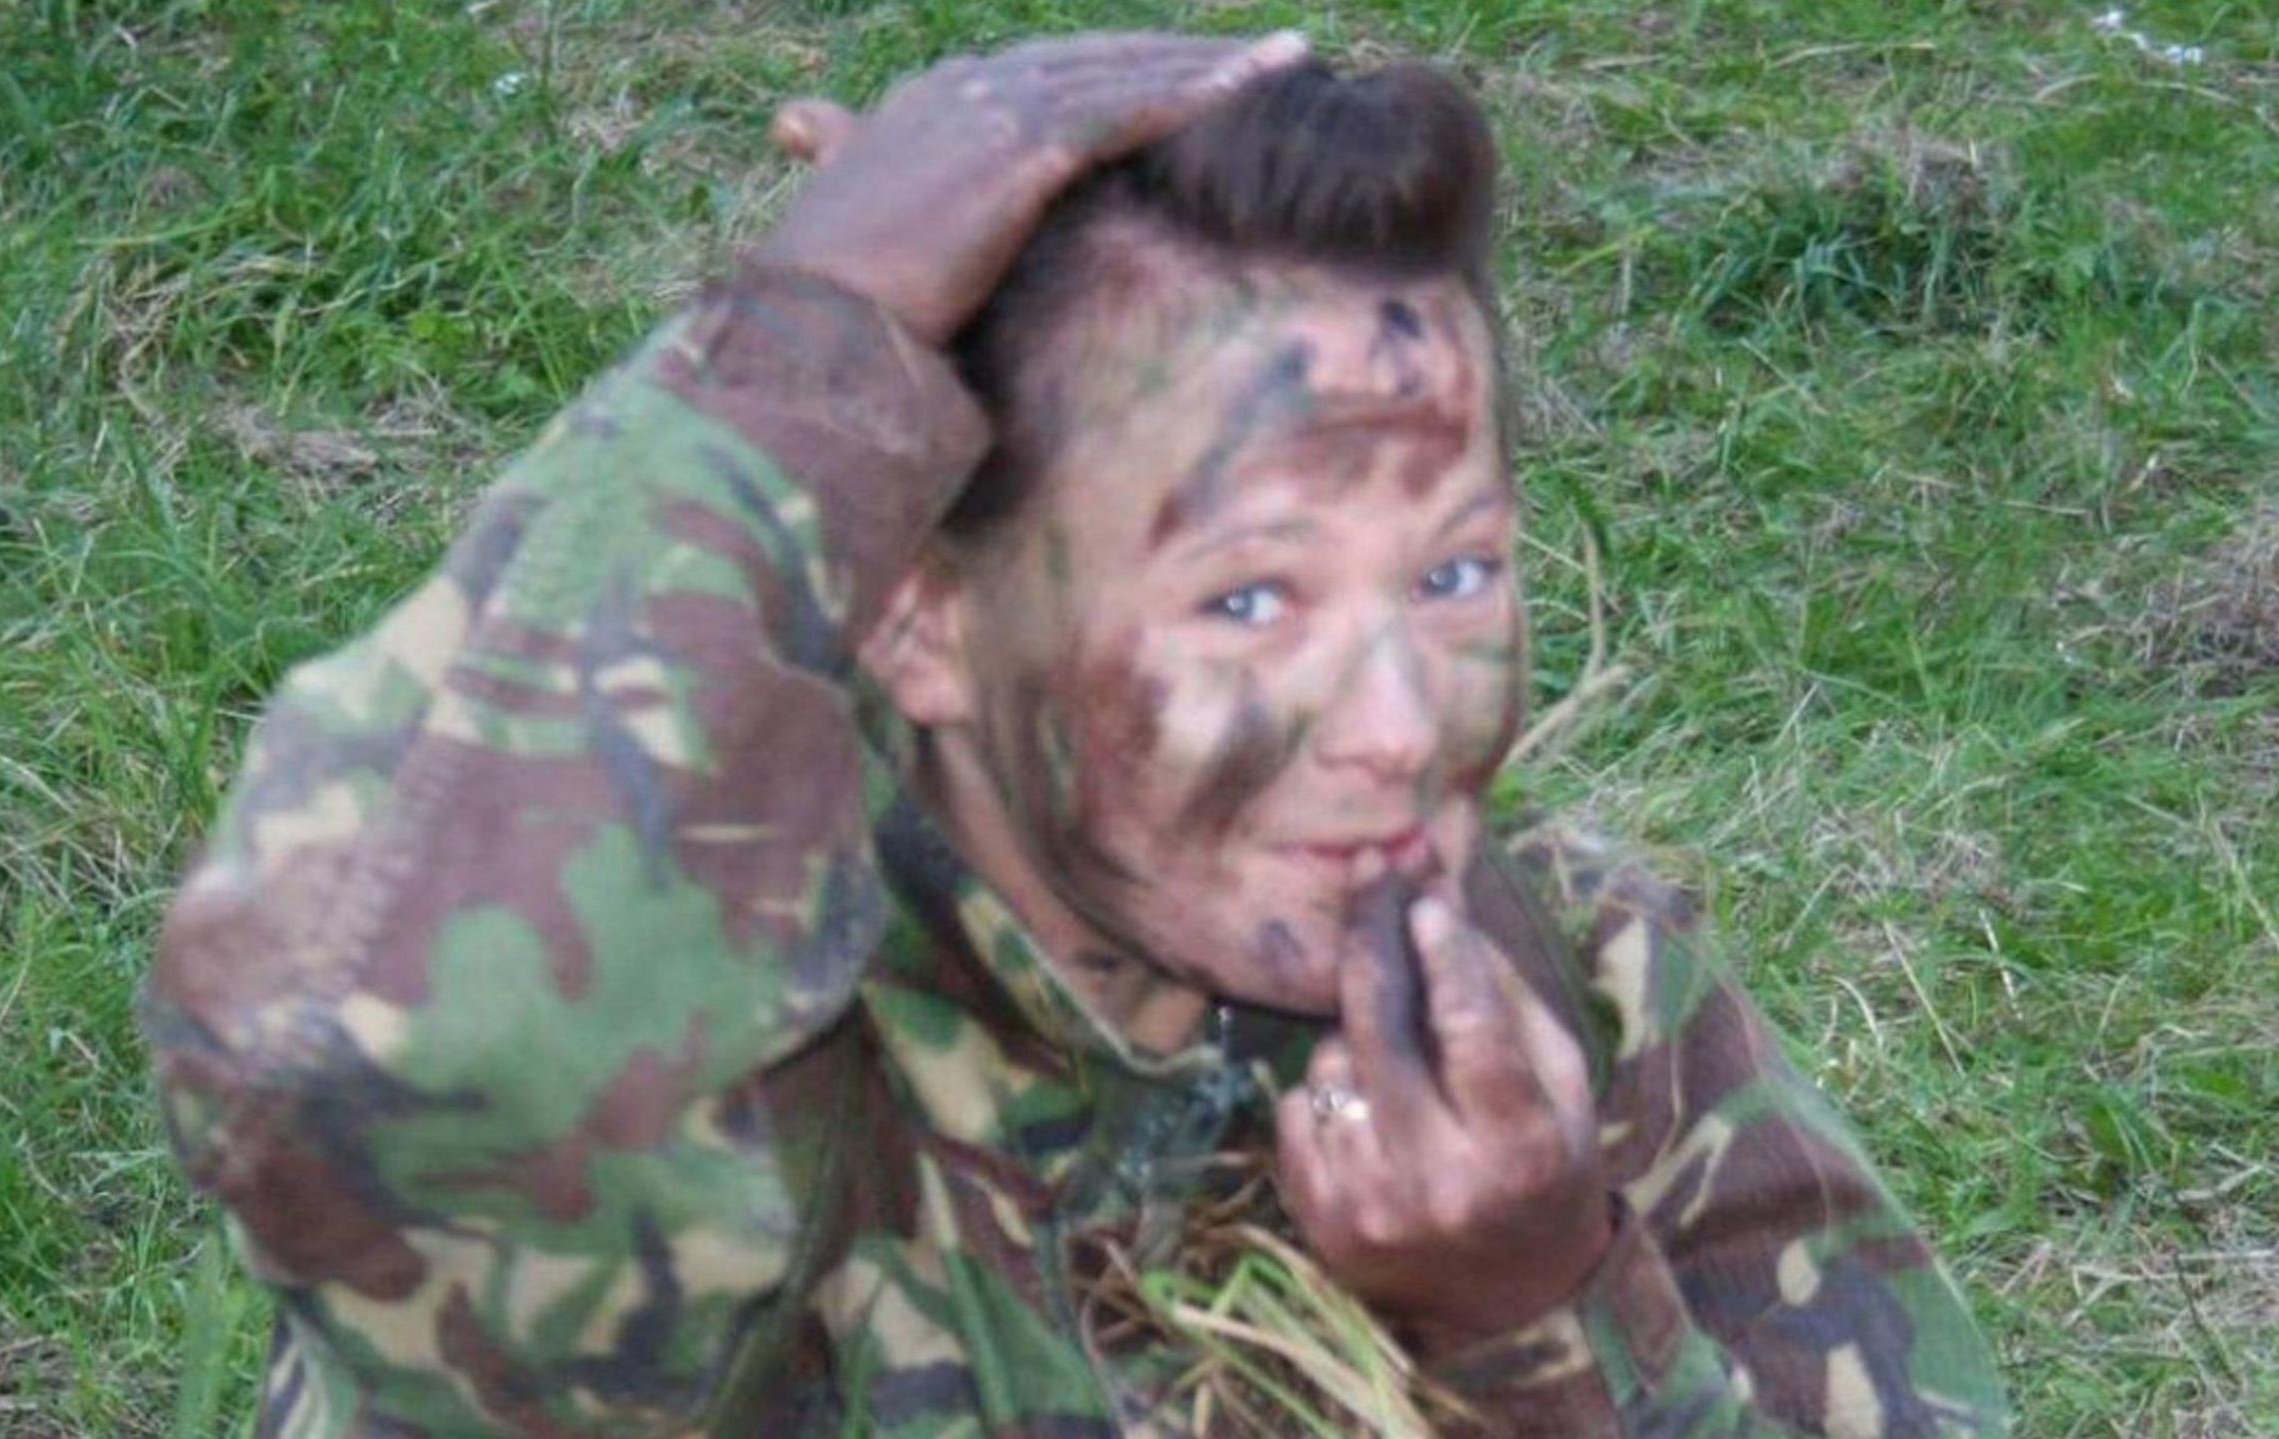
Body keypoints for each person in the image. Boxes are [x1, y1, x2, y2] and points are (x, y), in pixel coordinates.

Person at [144, 31, 2009, 1438]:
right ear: (922, 617)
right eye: (1251, 601)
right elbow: (363, 1063)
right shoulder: (734, 1063)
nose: (1397, 730)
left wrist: (1537, 1307)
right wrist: (804, 356)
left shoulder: (1568, 987)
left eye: (1451, 577)